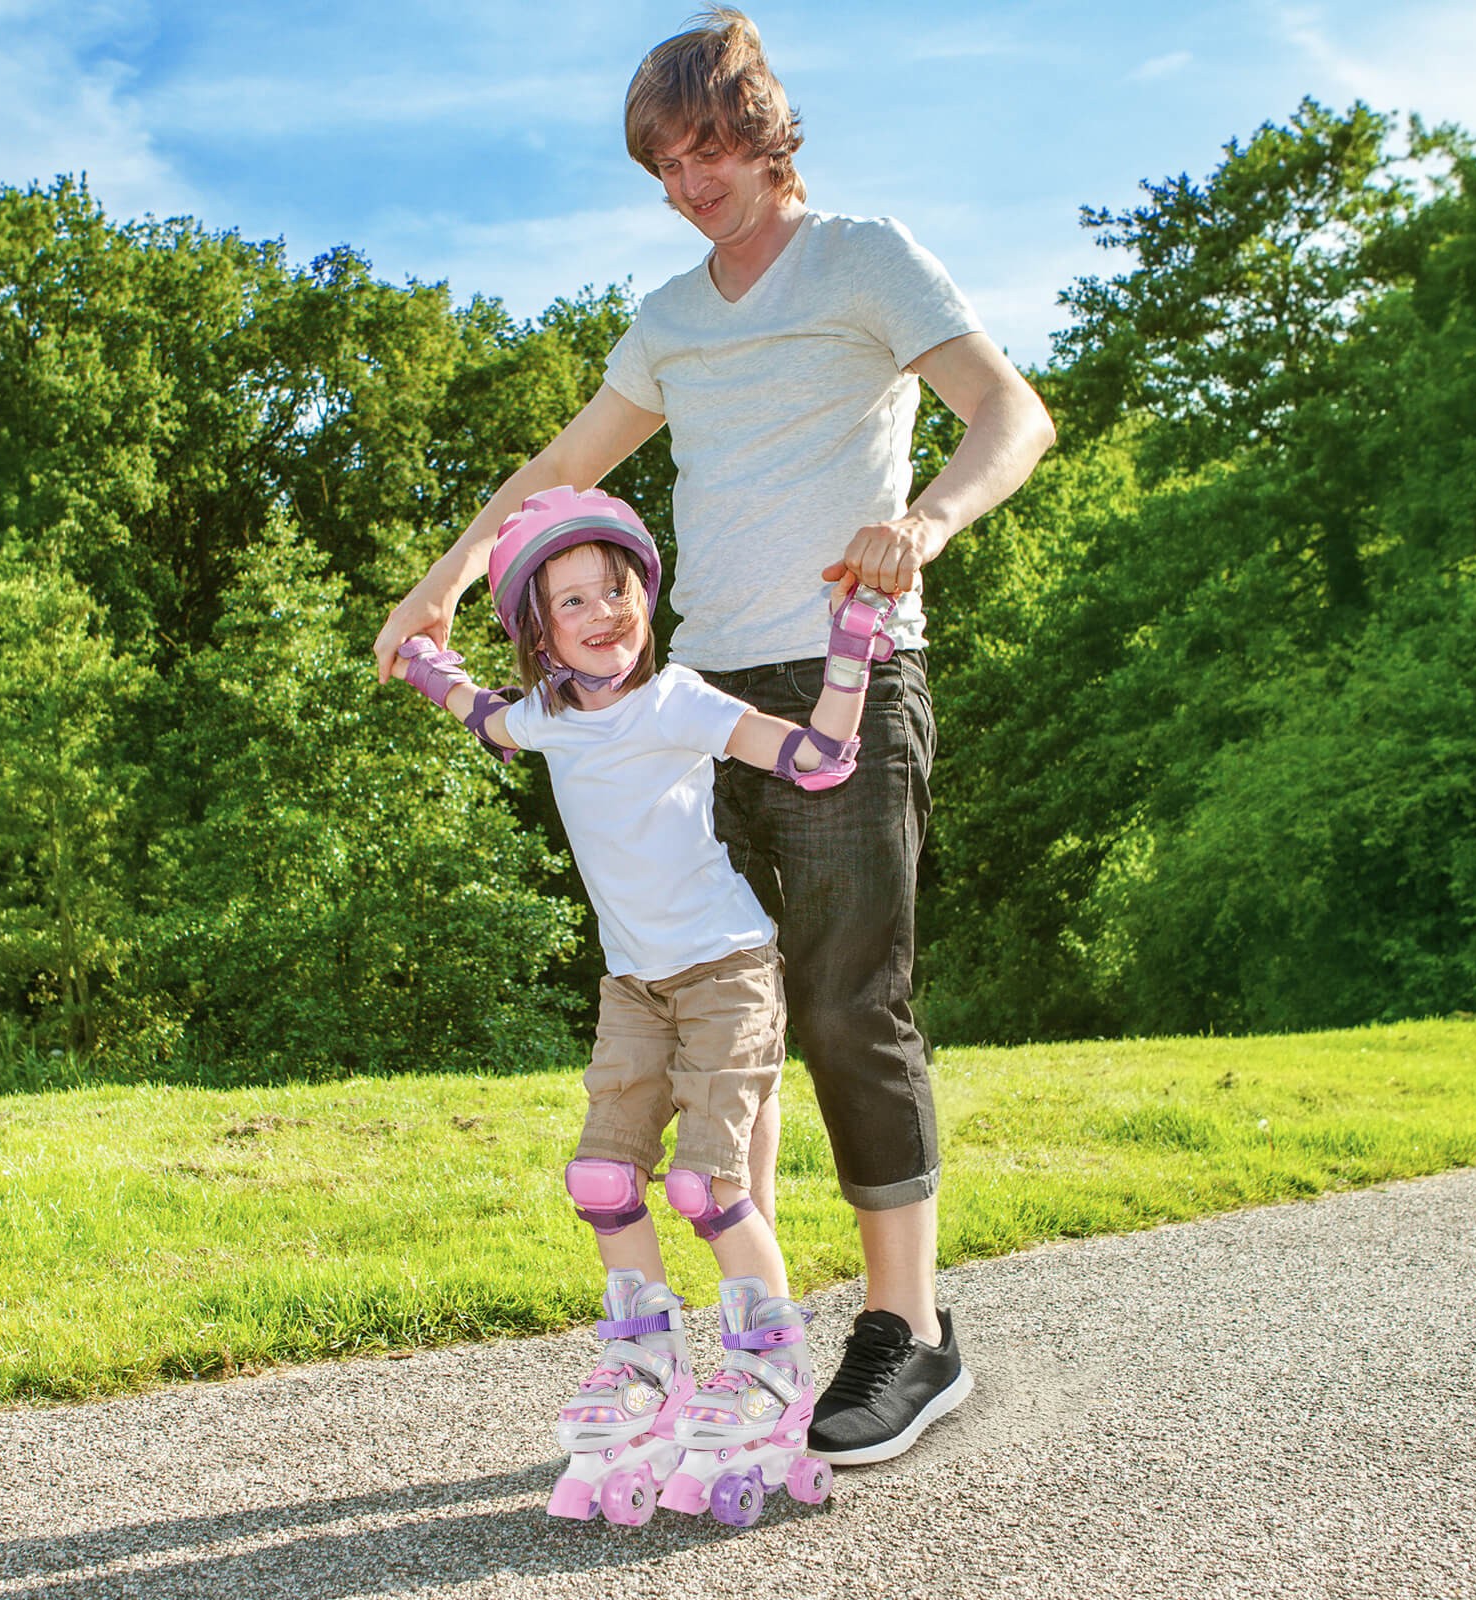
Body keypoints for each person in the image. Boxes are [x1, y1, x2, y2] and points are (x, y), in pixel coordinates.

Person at [374, 7, 1055, 1466]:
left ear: (767, 136)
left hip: (845, 677)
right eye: (666, 167)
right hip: (693, 698)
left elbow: (1012, 414)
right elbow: (560, 469)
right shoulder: (672, 317)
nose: (691, 186)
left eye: (710, 153)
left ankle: (910, 1333)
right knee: (715, 1009)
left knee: (847, 1005)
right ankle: (765, 1337)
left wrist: (926, 522)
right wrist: (437, 587)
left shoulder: (863, 257)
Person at [396, 483, 897, 1524]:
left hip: (724, 972)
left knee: (706, 1188)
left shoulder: (678, 701)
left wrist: (851, 648)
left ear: (644, 597)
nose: (602, 613)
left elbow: (818, 759)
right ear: (537, 632)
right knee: (599, 1178)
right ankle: (647, 1368)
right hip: (633, 986)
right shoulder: (545, 718)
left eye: (615, 589)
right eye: (570, 601)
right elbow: (480, 714)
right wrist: (418, 655)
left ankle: (768, 1367)